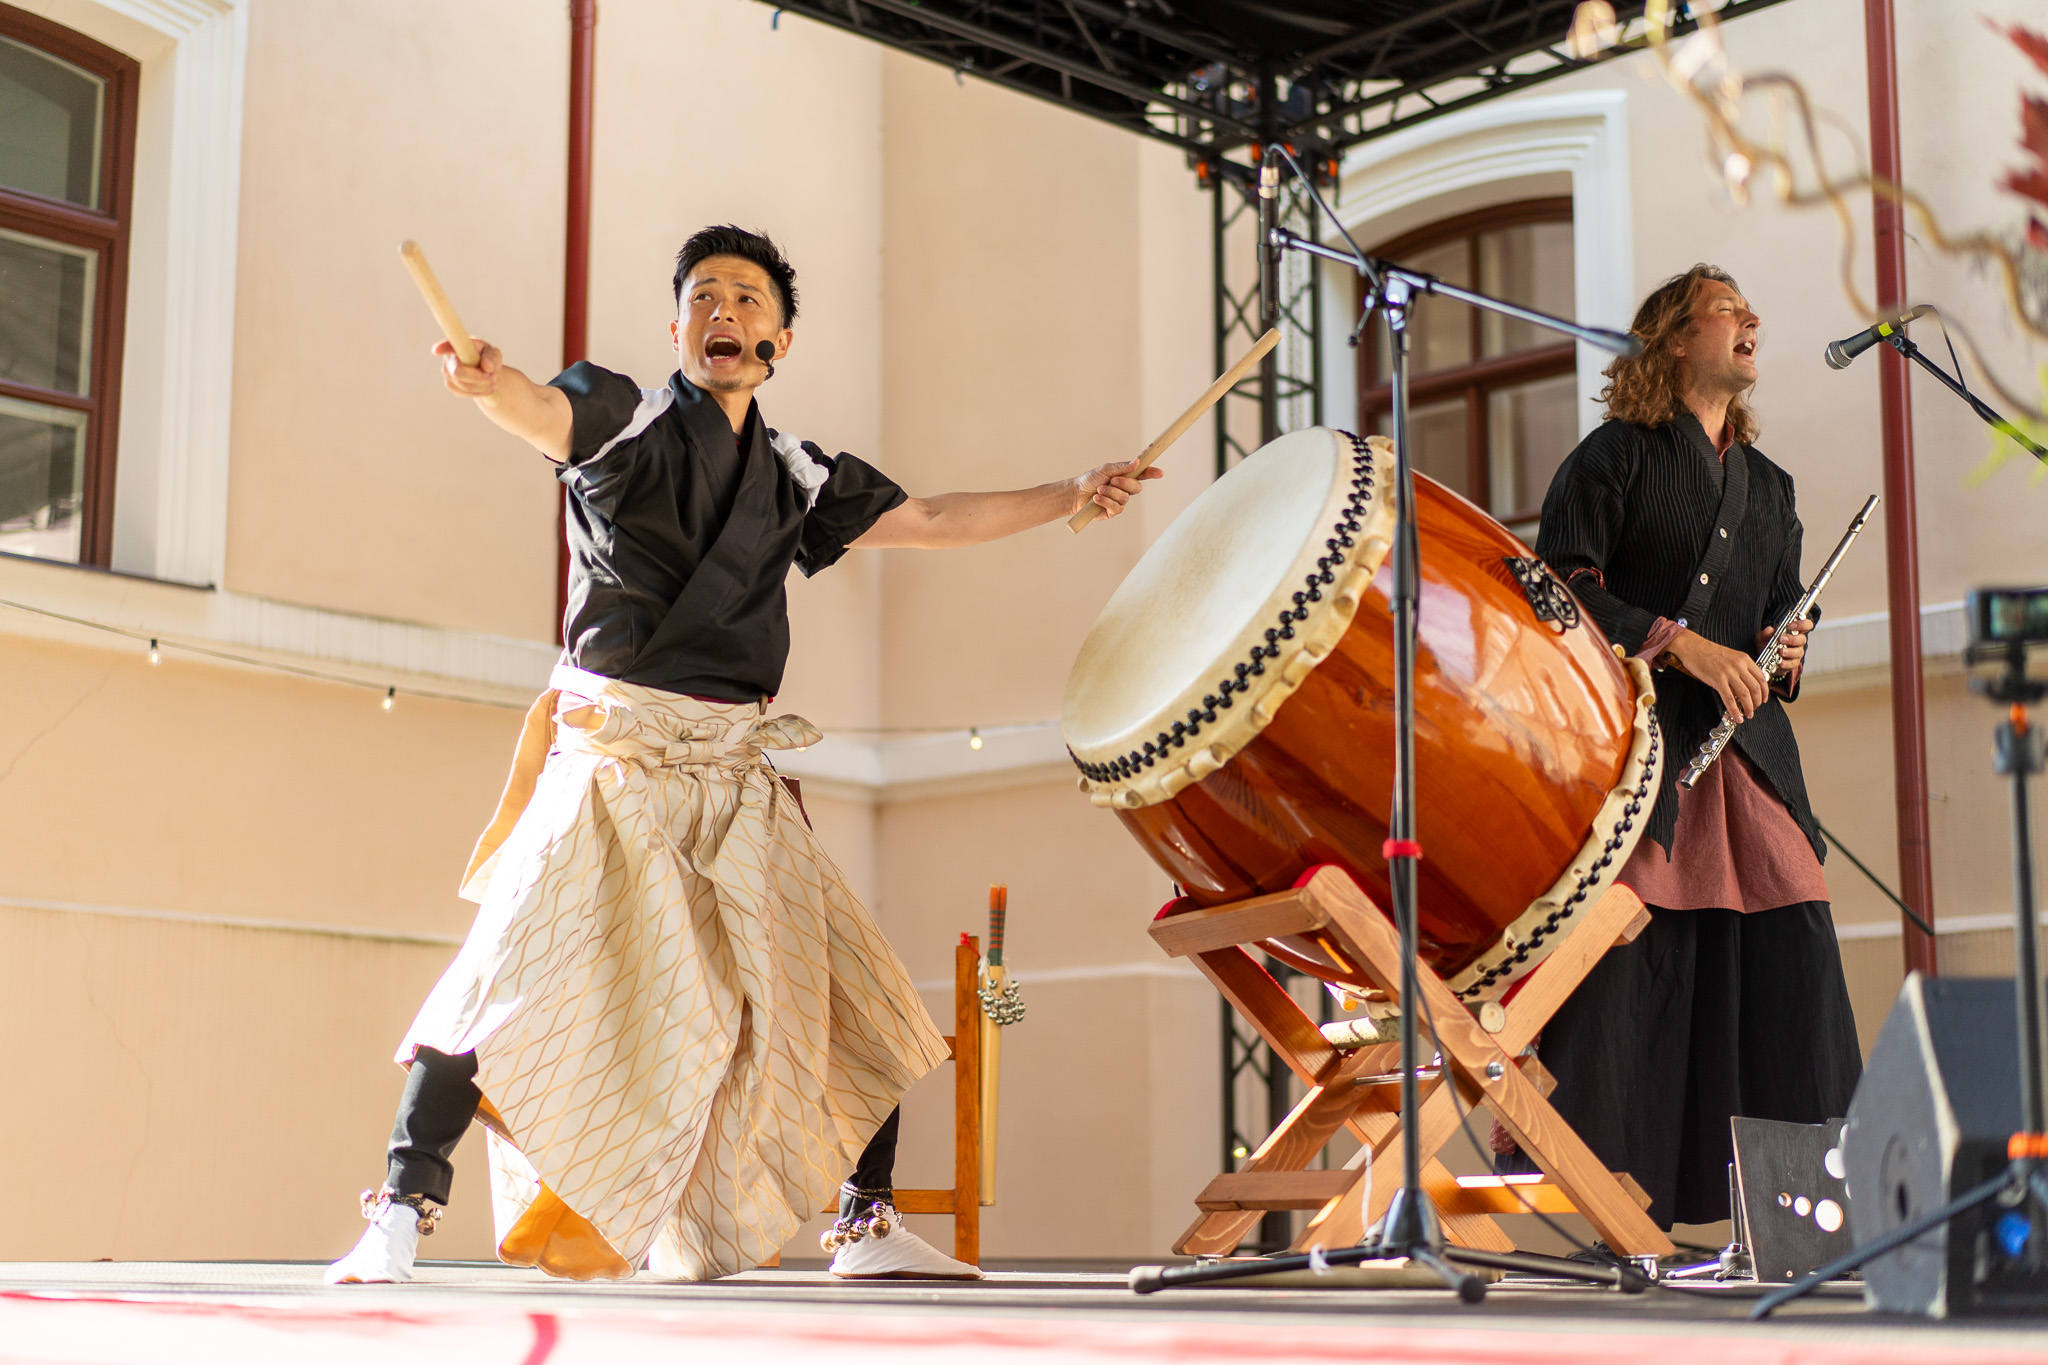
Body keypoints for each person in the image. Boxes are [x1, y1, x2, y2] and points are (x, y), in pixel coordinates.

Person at [325, 225, 1158, 1284]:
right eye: (705, 296)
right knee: (504, 976)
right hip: (620, 760)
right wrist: (493, 389)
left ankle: (863, 1225)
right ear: (678, 326)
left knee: (843, 985)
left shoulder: (794, 473)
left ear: (780, 340)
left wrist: (1073, 492)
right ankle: (398, 1214)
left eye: (747, 298)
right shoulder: (622, 423)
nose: (724, 310)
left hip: (732, 772)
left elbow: (935, 518)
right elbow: (538, 411)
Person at [1497, 264, 1862, 1231]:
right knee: (1627, 977)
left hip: (1749, 759)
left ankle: (1804, 1216)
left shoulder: (1772, 488)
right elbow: (1559, 590)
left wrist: (1787, 649)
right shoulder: (1611, 457)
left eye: (1750, 308)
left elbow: (1780, 615)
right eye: (1728, 307)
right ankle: (1611, 1212)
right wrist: (1680, 644)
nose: (1753, 318)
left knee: (1794, 956)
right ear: (1673, 337)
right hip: (1637, 756)